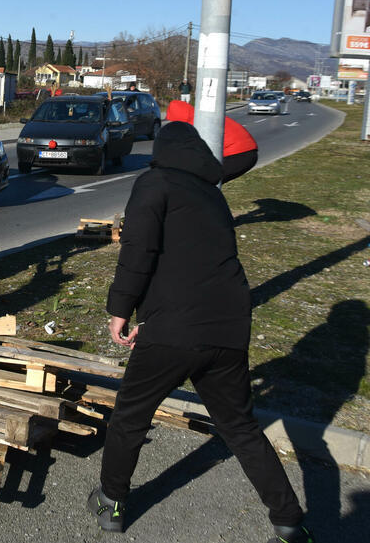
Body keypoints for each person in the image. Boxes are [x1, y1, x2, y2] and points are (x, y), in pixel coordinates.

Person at [86, 122, 313, 543]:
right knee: (241, 428)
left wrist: (120, 310)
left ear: (161, 151)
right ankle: (288, 519)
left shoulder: (154, 183)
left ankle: (112, 502)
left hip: (173, 330)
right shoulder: (213, 197)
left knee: (131, 417)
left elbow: (139, 252)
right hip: (227, 328)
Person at [166, 99, 258, 182]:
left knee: (205, 182)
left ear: (177, 118)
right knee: (207, 183)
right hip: (246, 152)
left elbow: (194, 152)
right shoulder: (202, 116)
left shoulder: (196, 125)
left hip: (240, 155)